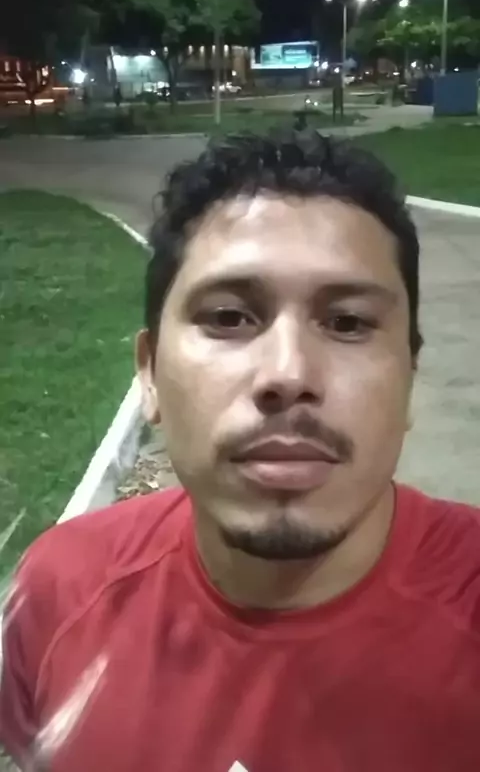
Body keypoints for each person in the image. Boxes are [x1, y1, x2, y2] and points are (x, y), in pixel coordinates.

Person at [1, 130, 480, 772]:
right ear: (149, 374)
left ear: (409, 378)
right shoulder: (58, 591)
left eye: (347, 323)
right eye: (229, 317)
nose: (288, 373)